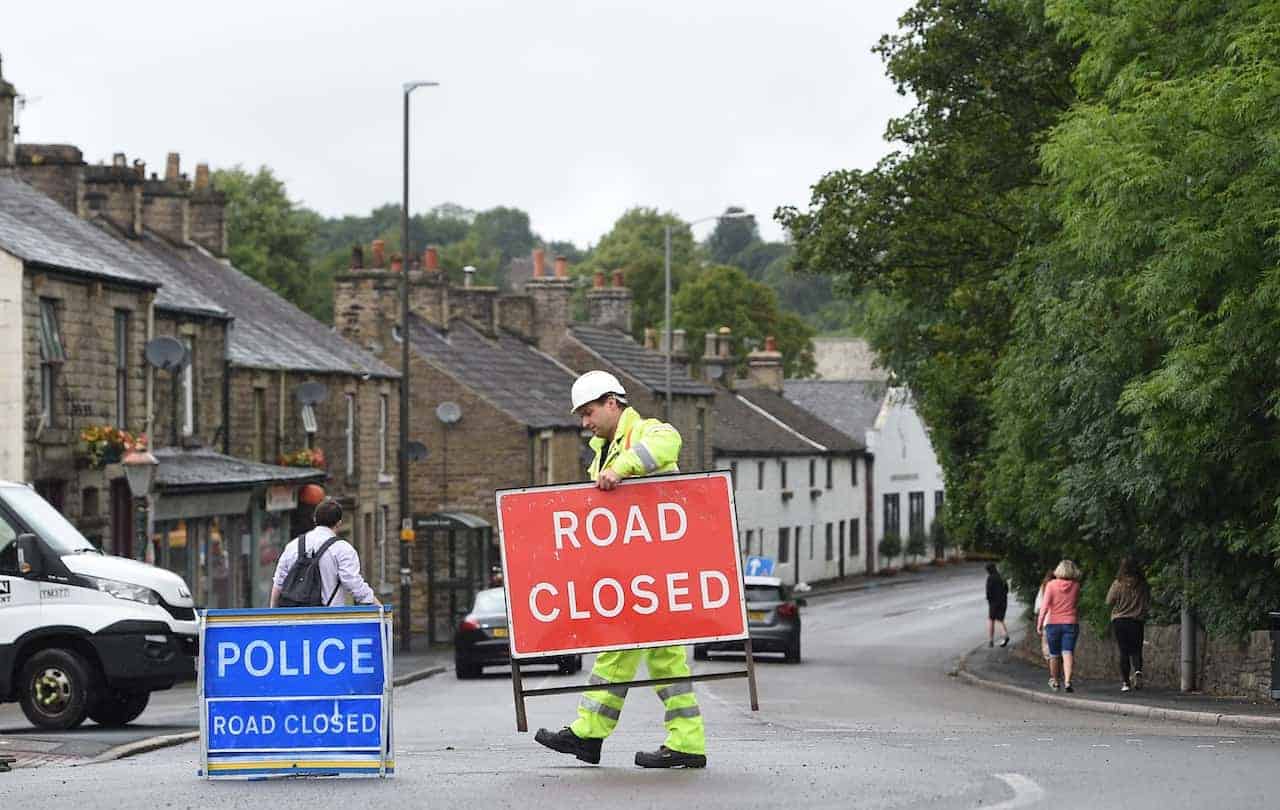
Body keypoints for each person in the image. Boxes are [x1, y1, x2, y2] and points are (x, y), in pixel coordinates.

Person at [535, 370, 706, 769]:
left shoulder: (643, 432)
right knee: (636, 656)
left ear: (613, 403)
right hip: (631, 575)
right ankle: (604, 736)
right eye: (581, 416)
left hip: (657, 571)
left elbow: (670, 442)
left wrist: (624, 467)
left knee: (648, 657)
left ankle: (598, 735)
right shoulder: (602, 450)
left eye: (589, 412)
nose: (584, 422)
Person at [269, 498, 381, 608]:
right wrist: (376, 605)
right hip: (328, 619)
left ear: (315, 519)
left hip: (294, 620)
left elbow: (278, 583)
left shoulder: (293, 546)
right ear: (339, 523)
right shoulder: (343, 549)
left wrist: (274, 614)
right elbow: (353, 584)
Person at [1107, 557, 1151, 692]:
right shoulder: (1142, 584)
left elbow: (1109, 601)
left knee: (1124, 651)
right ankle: (1137, 671)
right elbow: (1147, 601)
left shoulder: (1118, 583)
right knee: (1136, 650)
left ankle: (1126, 682)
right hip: (1136, 620)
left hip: (1119, 620)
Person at [1037, 559, 1081, 692]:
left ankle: (1055, 681)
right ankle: (1067, 681)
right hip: (1070, 623)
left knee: (1054, 654)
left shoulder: (1050, 585)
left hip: (1053, 624)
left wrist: (1040, 623)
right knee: (1067, 653)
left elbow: (1044, 607)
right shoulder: (1076, 586)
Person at [1033, 569, 1056, 663]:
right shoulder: (1061, 586)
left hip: (1047, 621)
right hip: (1060, 620)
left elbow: (1038, 606)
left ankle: (1052, 667)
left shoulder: (1044, 587)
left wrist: (1038, 618)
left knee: (1046, 646)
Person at [985, 564, 1010, 647]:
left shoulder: (990, 578)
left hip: (993, 602)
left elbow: (988, 593)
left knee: (991, 620)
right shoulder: (1001, 577)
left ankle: (991, 641)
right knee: (1000, 620)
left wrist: (989, 600)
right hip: (1003, 601)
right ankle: (1005, 635)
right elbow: (1006, 589)